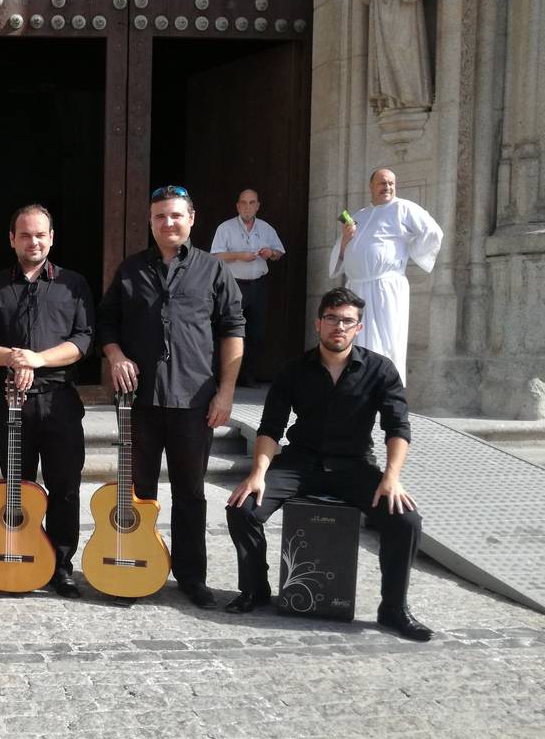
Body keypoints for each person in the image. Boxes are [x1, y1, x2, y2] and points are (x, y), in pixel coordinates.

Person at [224, 287, 432, 641]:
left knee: (406, 519)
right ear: (318, 323)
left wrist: (392, 478)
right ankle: (256, 589)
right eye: (332, 319)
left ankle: (393, 608)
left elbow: (398, 427)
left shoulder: (380, 370)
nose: (339, 326)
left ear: (358, 328)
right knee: (242, 507)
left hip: (354, 466)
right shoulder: (293, 370)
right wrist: (258, 474)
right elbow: (271, 427)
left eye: (347, 321)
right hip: (300, 462)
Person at [98, 185, 244, 608]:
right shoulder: (129, 271)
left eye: (176, 215)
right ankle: (137, 567)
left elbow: (233, 331)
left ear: (191, 219)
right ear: (151, 222)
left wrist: (227, 393)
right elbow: (106, 324)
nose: (168, 223)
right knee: (138, 492)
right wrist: (116, 355)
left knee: (190, 494)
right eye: (160, 217)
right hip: (139, 404)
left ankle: (191, 577)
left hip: (194, 402)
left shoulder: (214, 271)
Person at [0, 204, 94, 598]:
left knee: (65, 486)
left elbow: (83, 341)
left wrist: (37, 360)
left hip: (59, 402)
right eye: (25, 235)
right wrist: (12, 357)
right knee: (17, 488)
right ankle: (20, 552)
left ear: (51, 238)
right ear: (12, 239)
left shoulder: (74, 284)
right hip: (10, 403)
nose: (33, 241)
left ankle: (60, 564)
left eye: (40, 234)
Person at [329, 167, 443, 385]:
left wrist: (411, 249)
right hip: (356, 289)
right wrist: (345, 240)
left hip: (386, 287)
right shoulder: (358, 216)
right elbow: (339, 259)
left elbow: (433, 232)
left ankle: (386, 393)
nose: (387, 187)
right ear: (371, 187)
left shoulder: (403, 209)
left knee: (386, 341)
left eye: (391, 183)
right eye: (382, 183)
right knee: (356, 340)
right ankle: (357, 391)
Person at [210, 188, 285, 387]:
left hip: (259, 285)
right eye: (243, 202)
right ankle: (222, 376)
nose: (247, 207)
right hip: (233, 285)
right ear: (237, 206)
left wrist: (271, 253)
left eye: (252, 203)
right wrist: (238, 256)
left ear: (258, 206)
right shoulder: (225, 228)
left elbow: (279, 253)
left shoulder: (266, 228)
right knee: (228, 329)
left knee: (257, 333)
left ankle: (248, 376)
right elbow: (215, 256)